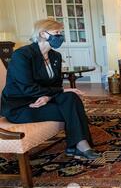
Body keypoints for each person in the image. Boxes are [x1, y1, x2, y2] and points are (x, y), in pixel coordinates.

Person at [0, 18, 100, 159]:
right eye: (56, 32)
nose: (60, 36)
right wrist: (58, 92)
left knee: (71, 97)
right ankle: (78, 146)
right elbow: (27, 88)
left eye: (60, 32)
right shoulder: (22, 55)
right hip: (22, 106)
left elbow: (55, 85)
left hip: (43, 99)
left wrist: (48, 96)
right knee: (72, 109)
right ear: (42, 34)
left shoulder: (55, 56)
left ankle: (78, 146)